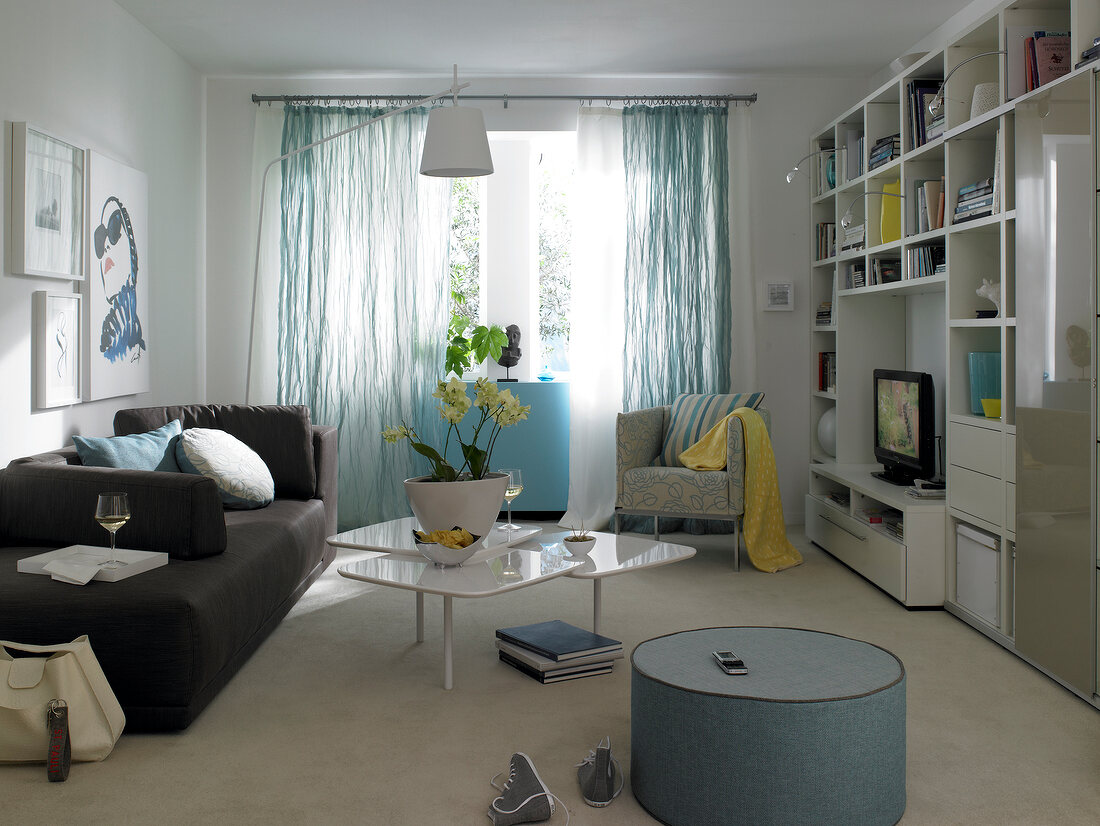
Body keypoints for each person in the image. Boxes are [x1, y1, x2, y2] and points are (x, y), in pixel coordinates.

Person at [94, 196, 145, 363]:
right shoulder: (107, 337)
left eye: (114, 230)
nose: (106, 245)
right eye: (100, 238)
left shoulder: (132, 333)